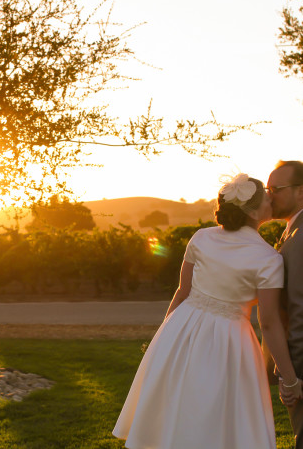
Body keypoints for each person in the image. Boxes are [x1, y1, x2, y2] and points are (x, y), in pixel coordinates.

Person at [112, 173, 302, 449]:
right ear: (252, 210)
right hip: (229, 340)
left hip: (182, 329)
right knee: (217, 415)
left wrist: (163, 338)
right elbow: (269, 323)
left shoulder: (201, 238)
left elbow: (182, 292)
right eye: (266, 197)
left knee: (178, 406)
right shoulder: (268, 259)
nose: (271, 199)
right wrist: (290, 378)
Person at [266, 161, 303, 448]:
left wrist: (292, 373)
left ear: (300, 192)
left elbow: (298, 307)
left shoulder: (301, 237)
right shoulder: (292, 231)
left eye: (276, 189)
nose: (269, 196)